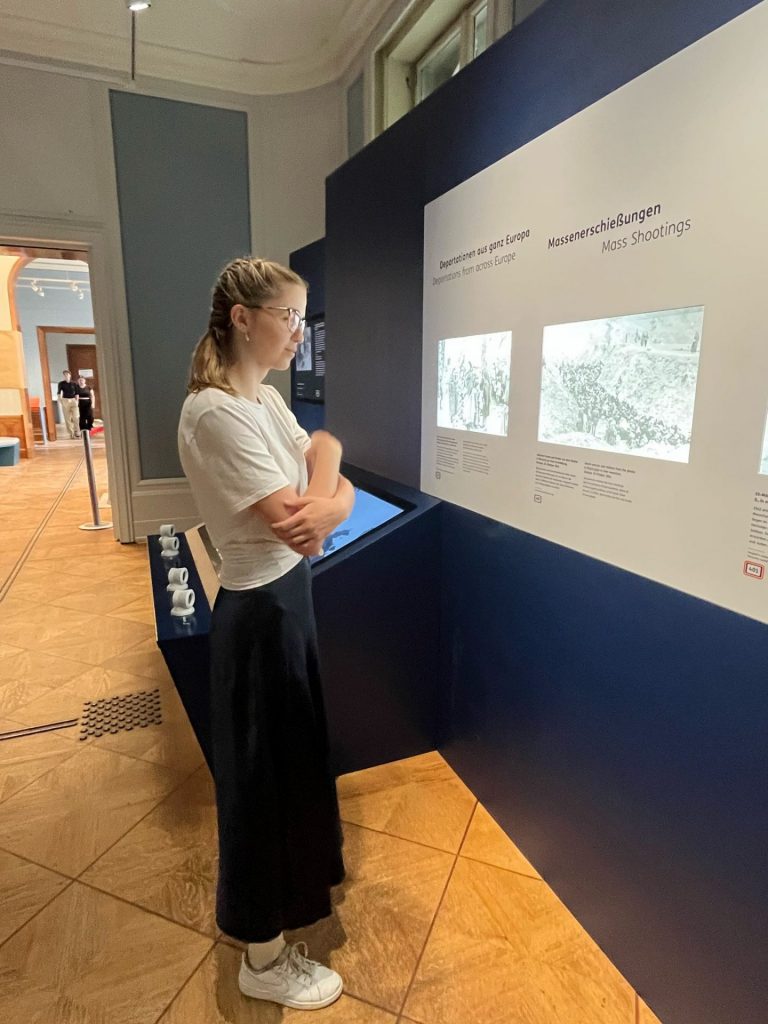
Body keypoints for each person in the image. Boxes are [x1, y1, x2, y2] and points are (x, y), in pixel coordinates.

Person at [178, 257, 354, 1011]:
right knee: (260, 786)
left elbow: (322, 470)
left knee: (293, 767)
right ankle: (262, 956)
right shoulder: (216, 413)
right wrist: (331, 483)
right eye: (288, 317)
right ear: (243, 319)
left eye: (301, 318)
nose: (298, 333)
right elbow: (299, 525)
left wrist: (331, 488)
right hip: (259, 616)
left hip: (288, 603)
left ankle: (282, 921)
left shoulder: (265, 399)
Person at [57, 369, 80, 439]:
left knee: (76, 417)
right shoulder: (61, 383)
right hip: (65, 401)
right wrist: (61, 401)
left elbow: (77, 393)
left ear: (70, 375)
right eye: (65, 374)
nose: (66, 375)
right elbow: (59, 393)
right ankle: (71, 433)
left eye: (67, 374)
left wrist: (77, 401)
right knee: (67, 419)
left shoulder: (74, 383)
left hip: (73, 400)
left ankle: (77, 431)